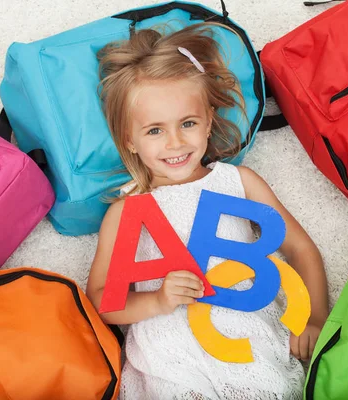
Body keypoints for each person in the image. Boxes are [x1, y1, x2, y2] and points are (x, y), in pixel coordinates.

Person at [86, 23, 329, 400]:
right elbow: (101, 299)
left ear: (209, 120)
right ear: (128, 140)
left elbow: (299, 248)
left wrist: (316, 318)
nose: (176, 142)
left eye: (187, 123)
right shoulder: (126, 210)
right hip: (168, 345)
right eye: (154, 131)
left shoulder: (239, 181)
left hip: (243, 332)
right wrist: (156, 300)